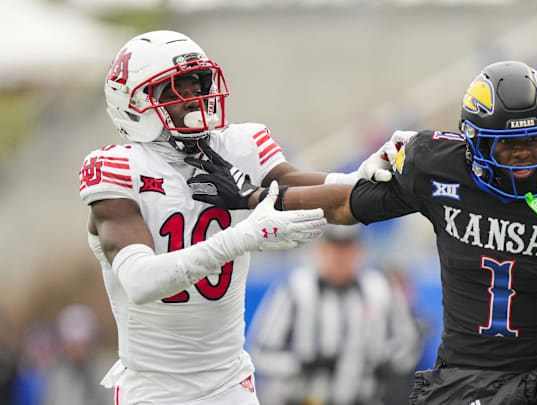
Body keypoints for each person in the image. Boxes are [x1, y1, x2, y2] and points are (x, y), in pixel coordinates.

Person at [191, 61, 537, 404]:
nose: (526, 156)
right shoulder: (439, 169)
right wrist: (255, 197)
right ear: (475, 143)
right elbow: (342, 204)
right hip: (463, 375)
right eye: (510, 147)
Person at [78, 30, 395, 405]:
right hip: (154, 389)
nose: (196, 98)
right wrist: (243, 237)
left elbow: (299, 186)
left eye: (199, 84)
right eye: (177, 88)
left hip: (230, 383)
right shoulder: (118, 168)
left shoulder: (239, 145)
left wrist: (359, 178)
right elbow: (141, 281)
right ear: (135, 103)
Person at [247, 225, 422, 405]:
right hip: (303, 400)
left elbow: (408, 345)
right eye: (335, 248)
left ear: (360, 251)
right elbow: (260, 353)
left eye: (347, 249)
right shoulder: (295, 289)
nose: (341, 257)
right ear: (320, 250)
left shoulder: (379, 289)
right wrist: (302, 363)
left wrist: (384, 362)